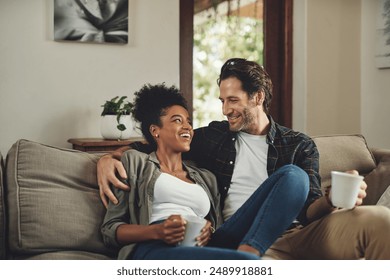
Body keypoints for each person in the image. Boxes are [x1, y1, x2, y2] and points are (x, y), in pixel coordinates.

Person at [98, 58, 390, 259]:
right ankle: (248, 256)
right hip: (235, 237)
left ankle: (249, 256)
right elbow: (156, 142)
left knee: (376, 217)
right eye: (222, 101)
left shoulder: (298, 144)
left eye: (233, 100)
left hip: (296, 232)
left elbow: (310, 209)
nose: (225, 110)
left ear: (258, 97)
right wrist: (109, 158)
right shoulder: (213, 137)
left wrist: (333, 199)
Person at [100, 83, 261, 260]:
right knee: (248, 262)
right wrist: (157, 231)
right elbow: (110, 229)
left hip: (197, 248)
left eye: (189, 122)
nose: (187, 127)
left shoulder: (206, 178)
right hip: (152, 248)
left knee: (290, 175)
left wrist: (210, 230)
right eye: (177, 120)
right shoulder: (135, 162)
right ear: (155, 130)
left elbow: (217, 227)